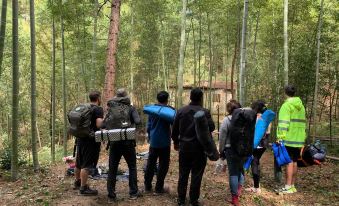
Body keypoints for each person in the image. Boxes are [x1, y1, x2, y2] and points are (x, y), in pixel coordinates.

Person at [171, 88, 215, 206]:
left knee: (183, 174)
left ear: (190, 97)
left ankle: (181, 200)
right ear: (201, 98)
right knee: (197, 174)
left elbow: (174, 129)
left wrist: (175, 142)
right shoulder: (205, 112)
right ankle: (193, 200)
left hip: (184, 148)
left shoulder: (181, 111)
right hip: (199, 149)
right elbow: (212, 127)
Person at [106, 88, 142, 201]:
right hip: (127, 142)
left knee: (112, 168)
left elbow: (103, 124)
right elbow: (138, 121)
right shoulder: (130, 108)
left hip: (114, 143)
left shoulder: (111, 109)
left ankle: (111, 195)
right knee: (132, 167)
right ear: (126, 97)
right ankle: (133, 193)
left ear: (116, 97)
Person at [276, 85, 306, 194]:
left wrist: (280, 137)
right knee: (294, 162)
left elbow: (284, 123)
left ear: (285, 93)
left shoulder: (286, 105)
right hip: (298, 139)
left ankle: (287, 186)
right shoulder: (301, 106)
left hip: (288, 138)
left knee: (289, 162)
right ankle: (292, 185)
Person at [73, 91, 103, 195]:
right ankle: (83, 188)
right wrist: (106, 120)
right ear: (98, 98)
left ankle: (77, 182)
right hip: (91, 140)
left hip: (80, 138)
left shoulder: (84, 107)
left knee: (79, 162)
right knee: (86, 164)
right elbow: (99, 124)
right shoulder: (98, 109)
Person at [144, 91, 172, 195]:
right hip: (165, 142)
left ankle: (147, 186)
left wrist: (149, 137)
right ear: (167, 99)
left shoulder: (152, 110)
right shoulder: (169, 111)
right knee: (163, 165)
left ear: (157, 99)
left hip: (154, 142)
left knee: (151, 164)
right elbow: (173, 123)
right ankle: (159, 188)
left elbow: (149, 126)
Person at [219, 100, 242, 206]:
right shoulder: (245, 119)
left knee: (233, 173)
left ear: (229, 109)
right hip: (243, 149)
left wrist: (221, 150)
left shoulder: (227, 120)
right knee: (240, 170)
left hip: (230, 149)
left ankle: (235, 198)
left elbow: (222, 137)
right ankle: (239, 190)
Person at [245, 100, 271, 193]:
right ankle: (256, 185)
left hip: (256, 144)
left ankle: (256, 187)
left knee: (254, 162)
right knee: (255, 162)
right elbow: (268, 132)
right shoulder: (267, 117)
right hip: (264, 144)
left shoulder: (255, 117)